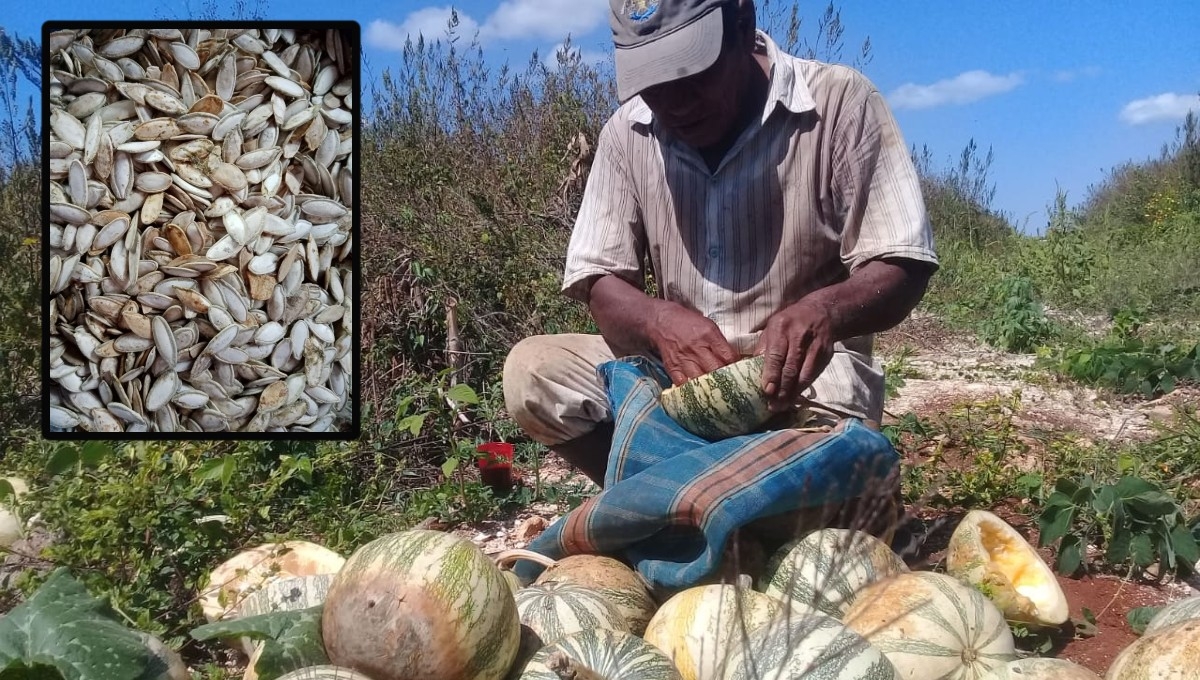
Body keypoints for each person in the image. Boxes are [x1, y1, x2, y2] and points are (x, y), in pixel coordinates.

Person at [503, 0, 938, 492]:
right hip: (679, 376)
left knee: (825, 465)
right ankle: (656, 502)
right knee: (535, 373)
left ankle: (705, 497)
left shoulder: (839, 103)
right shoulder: (627, 133)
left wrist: (825, 310)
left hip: (801, 383)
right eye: (653, 81)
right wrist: (657, 320)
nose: (674, 103)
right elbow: (601, 283)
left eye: (691, 73)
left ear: (741, 22)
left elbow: (903, 261)